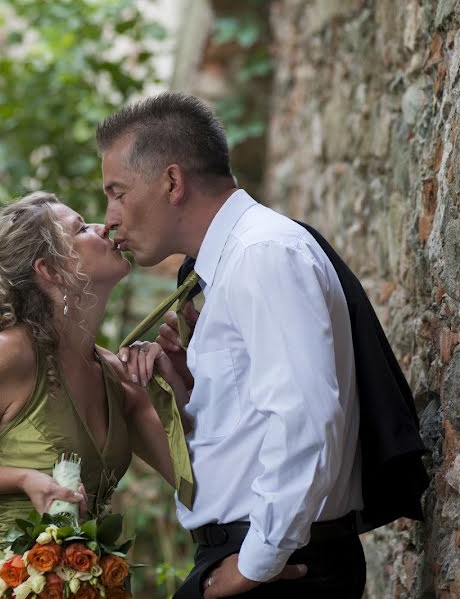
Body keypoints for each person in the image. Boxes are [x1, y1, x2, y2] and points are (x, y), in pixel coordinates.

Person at [98, 93, 367, 599]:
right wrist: (187, 384)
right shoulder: (228, 266)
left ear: (172, 182)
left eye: (117, 192)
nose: (109, 217)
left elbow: (307, 415)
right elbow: (256, 418)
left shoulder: (262, 254)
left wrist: (258, 561)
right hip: (253, 555)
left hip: (279, 567)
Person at [0, 191, 187, 598]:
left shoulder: (114, 374)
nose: (102, 227)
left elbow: (188, 476)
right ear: (51, 270)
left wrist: (173, 381)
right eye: (80, 228)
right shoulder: (8, 356)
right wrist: (23, 479)